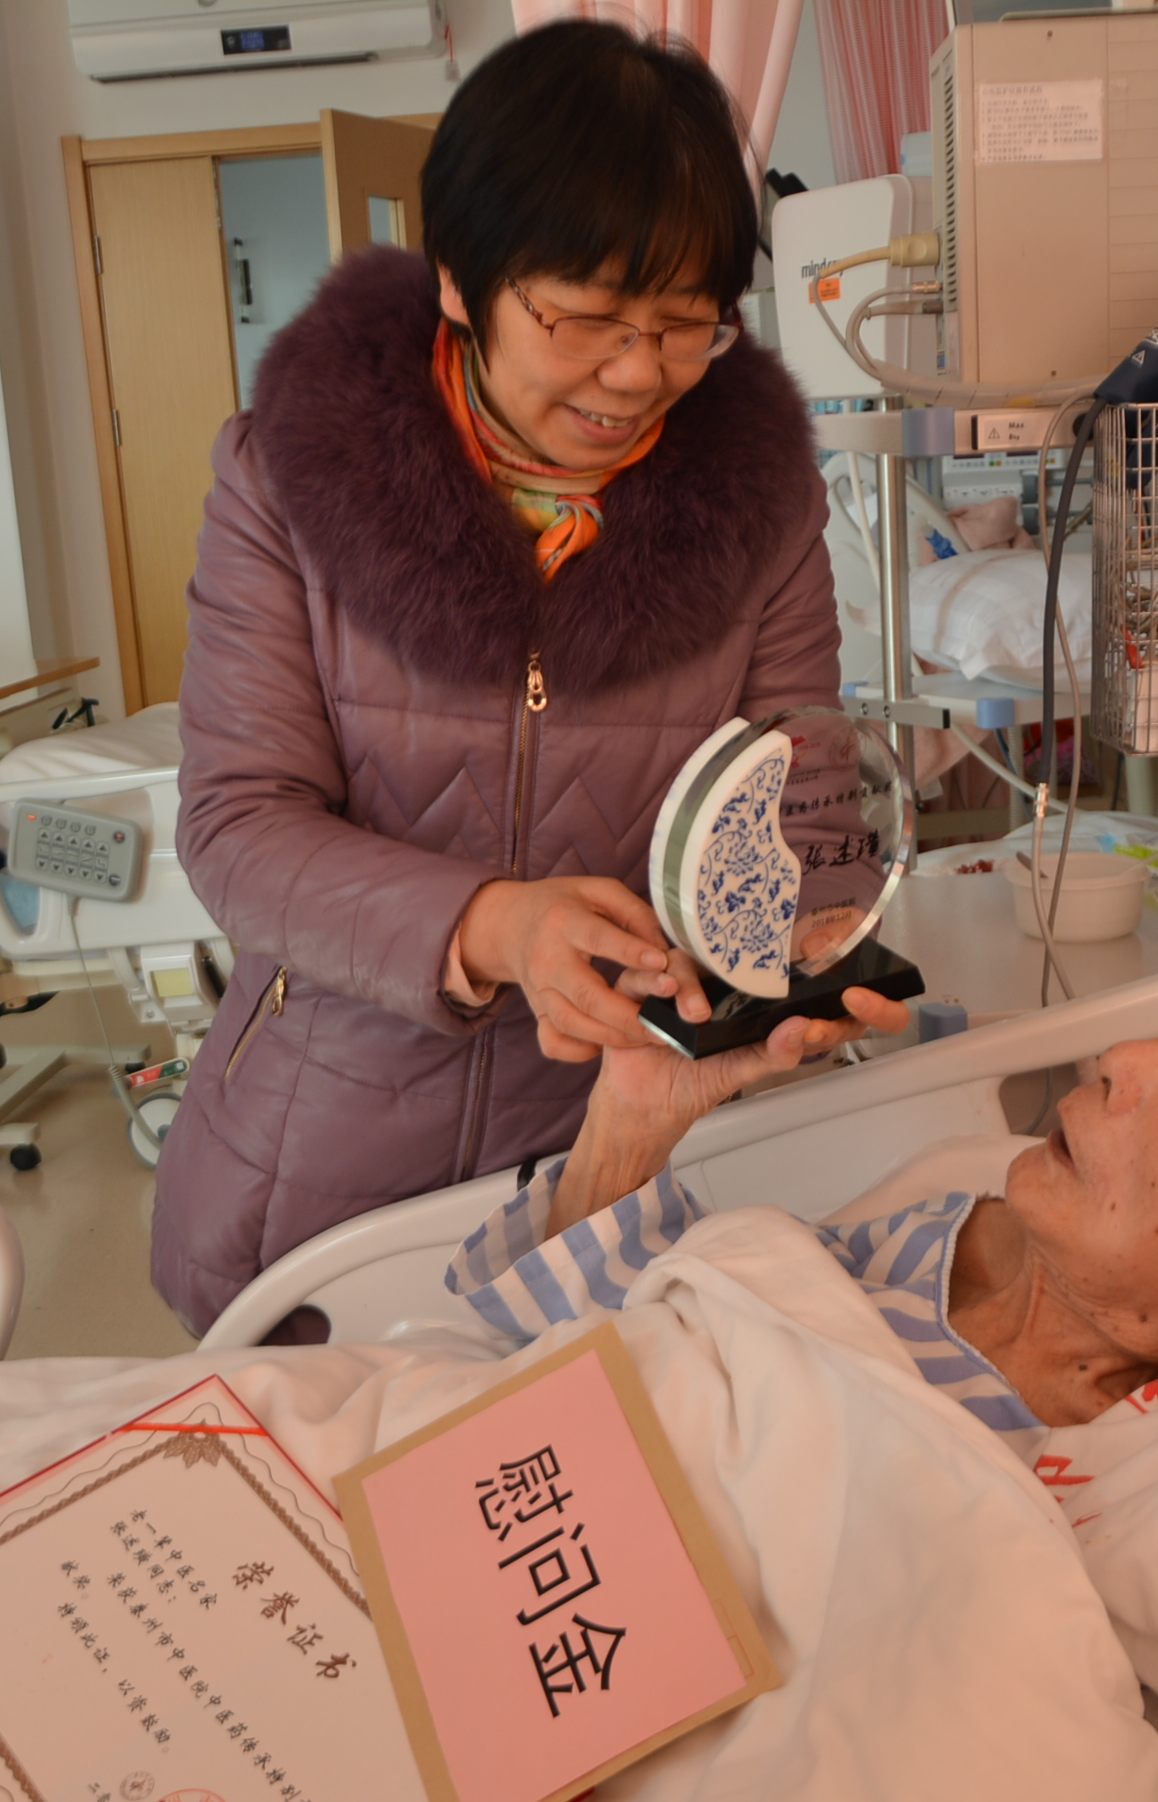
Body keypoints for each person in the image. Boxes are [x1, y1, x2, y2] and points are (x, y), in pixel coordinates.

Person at [155, 20, 878, 1335]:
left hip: (618, 1157)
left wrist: (800, 952)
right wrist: (499, 928)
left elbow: (800, 798)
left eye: (687, 324)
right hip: (321, 1167)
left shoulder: (760, 509)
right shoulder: (287, 482)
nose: (638, 373)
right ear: (461, 281)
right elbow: (237, 828)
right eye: (586, 317)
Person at [446, 993, 1158, 1430]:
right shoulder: (957, 1225)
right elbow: (623, 1353)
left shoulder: (1084, 1505)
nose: (1125, 1056)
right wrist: (633, 1122)